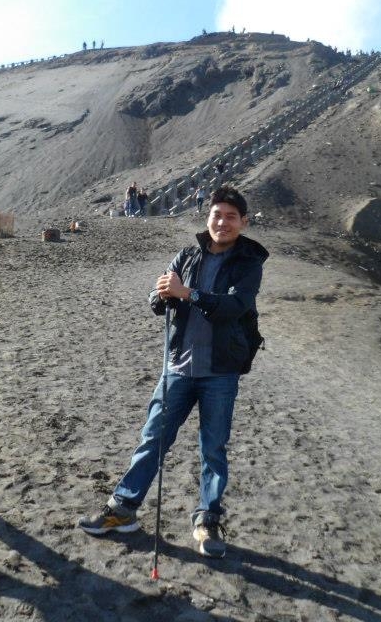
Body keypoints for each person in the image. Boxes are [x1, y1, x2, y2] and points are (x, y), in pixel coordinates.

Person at [78, 186, 268, 558]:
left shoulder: (249, 264)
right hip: (178, 366)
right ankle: (123, 509)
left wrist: (188, 294)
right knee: (152, 439)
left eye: (231, 216)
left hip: (221, 371)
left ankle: (208, 519)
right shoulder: (187, 255)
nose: (223, 222)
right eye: (217, 214)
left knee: (213, 448)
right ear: (207, 217)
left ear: (243, 222)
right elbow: (158, 298)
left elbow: (235, 306)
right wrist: (162, 294)